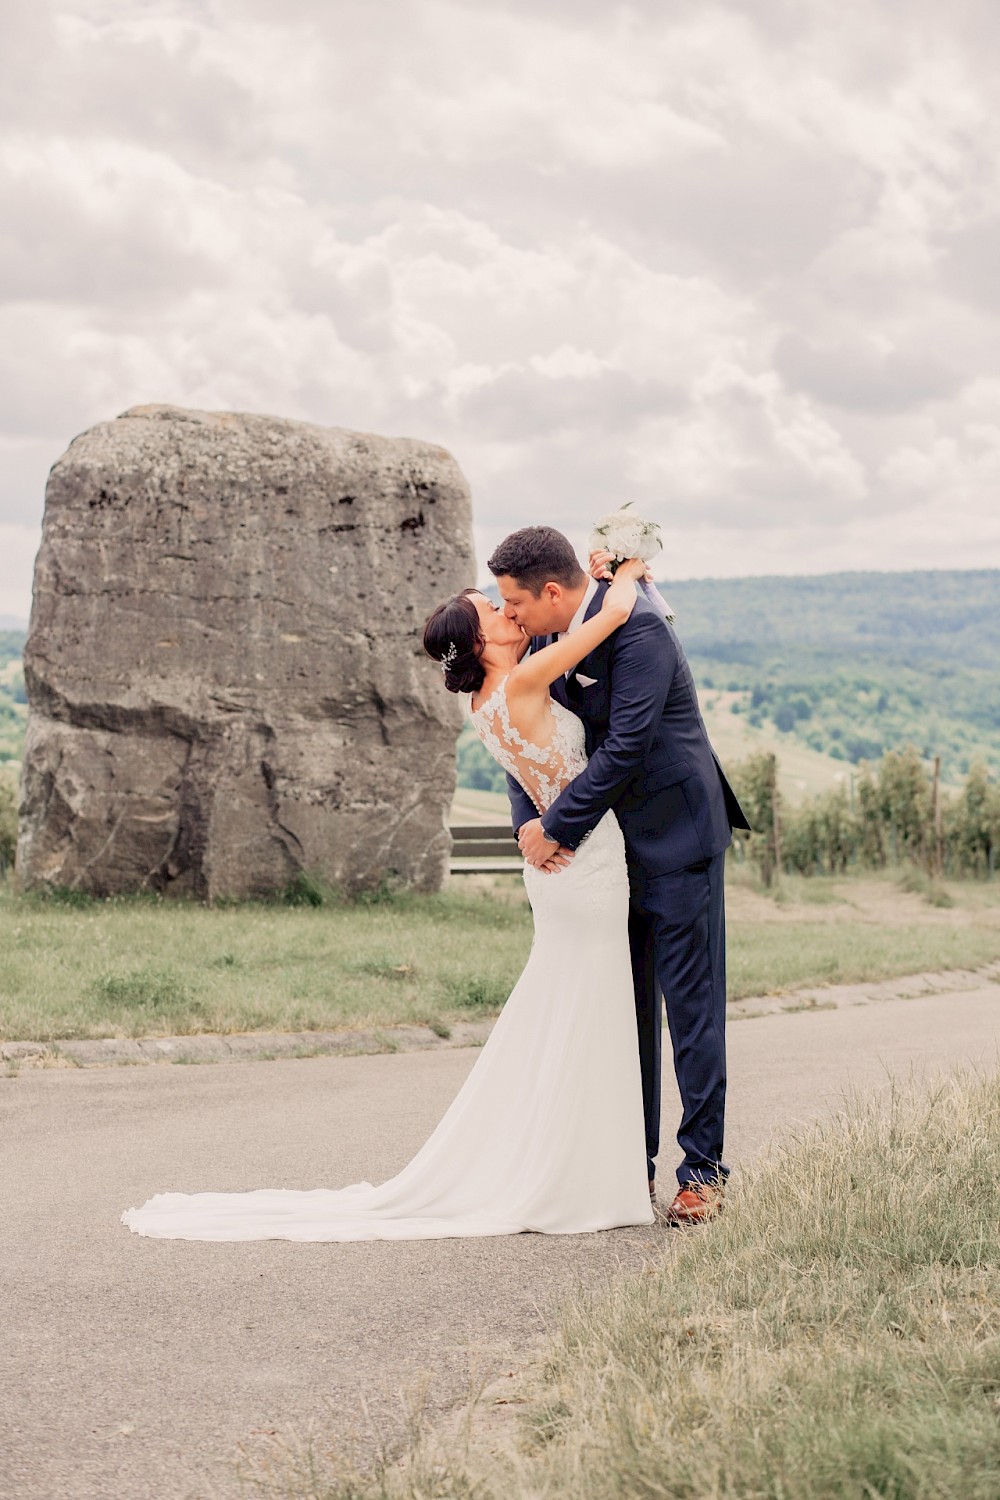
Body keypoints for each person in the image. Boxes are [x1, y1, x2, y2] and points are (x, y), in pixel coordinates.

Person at [121, 557, 653, 1242]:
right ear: (481, 642)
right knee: (585, 1010)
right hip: (586, 867)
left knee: (566, 1011)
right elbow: (611, 616)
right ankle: (572, 1178)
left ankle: (570, 1167)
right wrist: (624, 568)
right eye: (494, 611)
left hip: (560, 871)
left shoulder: (483, 707)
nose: (508, 612)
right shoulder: (521, 680)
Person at [488, 526, 749, 1225]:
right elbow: (528, 736)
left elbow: (629, 743)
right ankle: (626, 1170)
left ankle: (704, 1174)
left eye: (514, 603)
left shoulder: (640, 629)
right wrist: (525, 820)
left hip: (677, 838)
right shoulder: (545, 641)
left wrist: (557, 828)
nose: (507, 616)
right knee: (622, 1016)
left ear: (551, 591)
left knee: (691, 1012)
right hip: (606, 859)